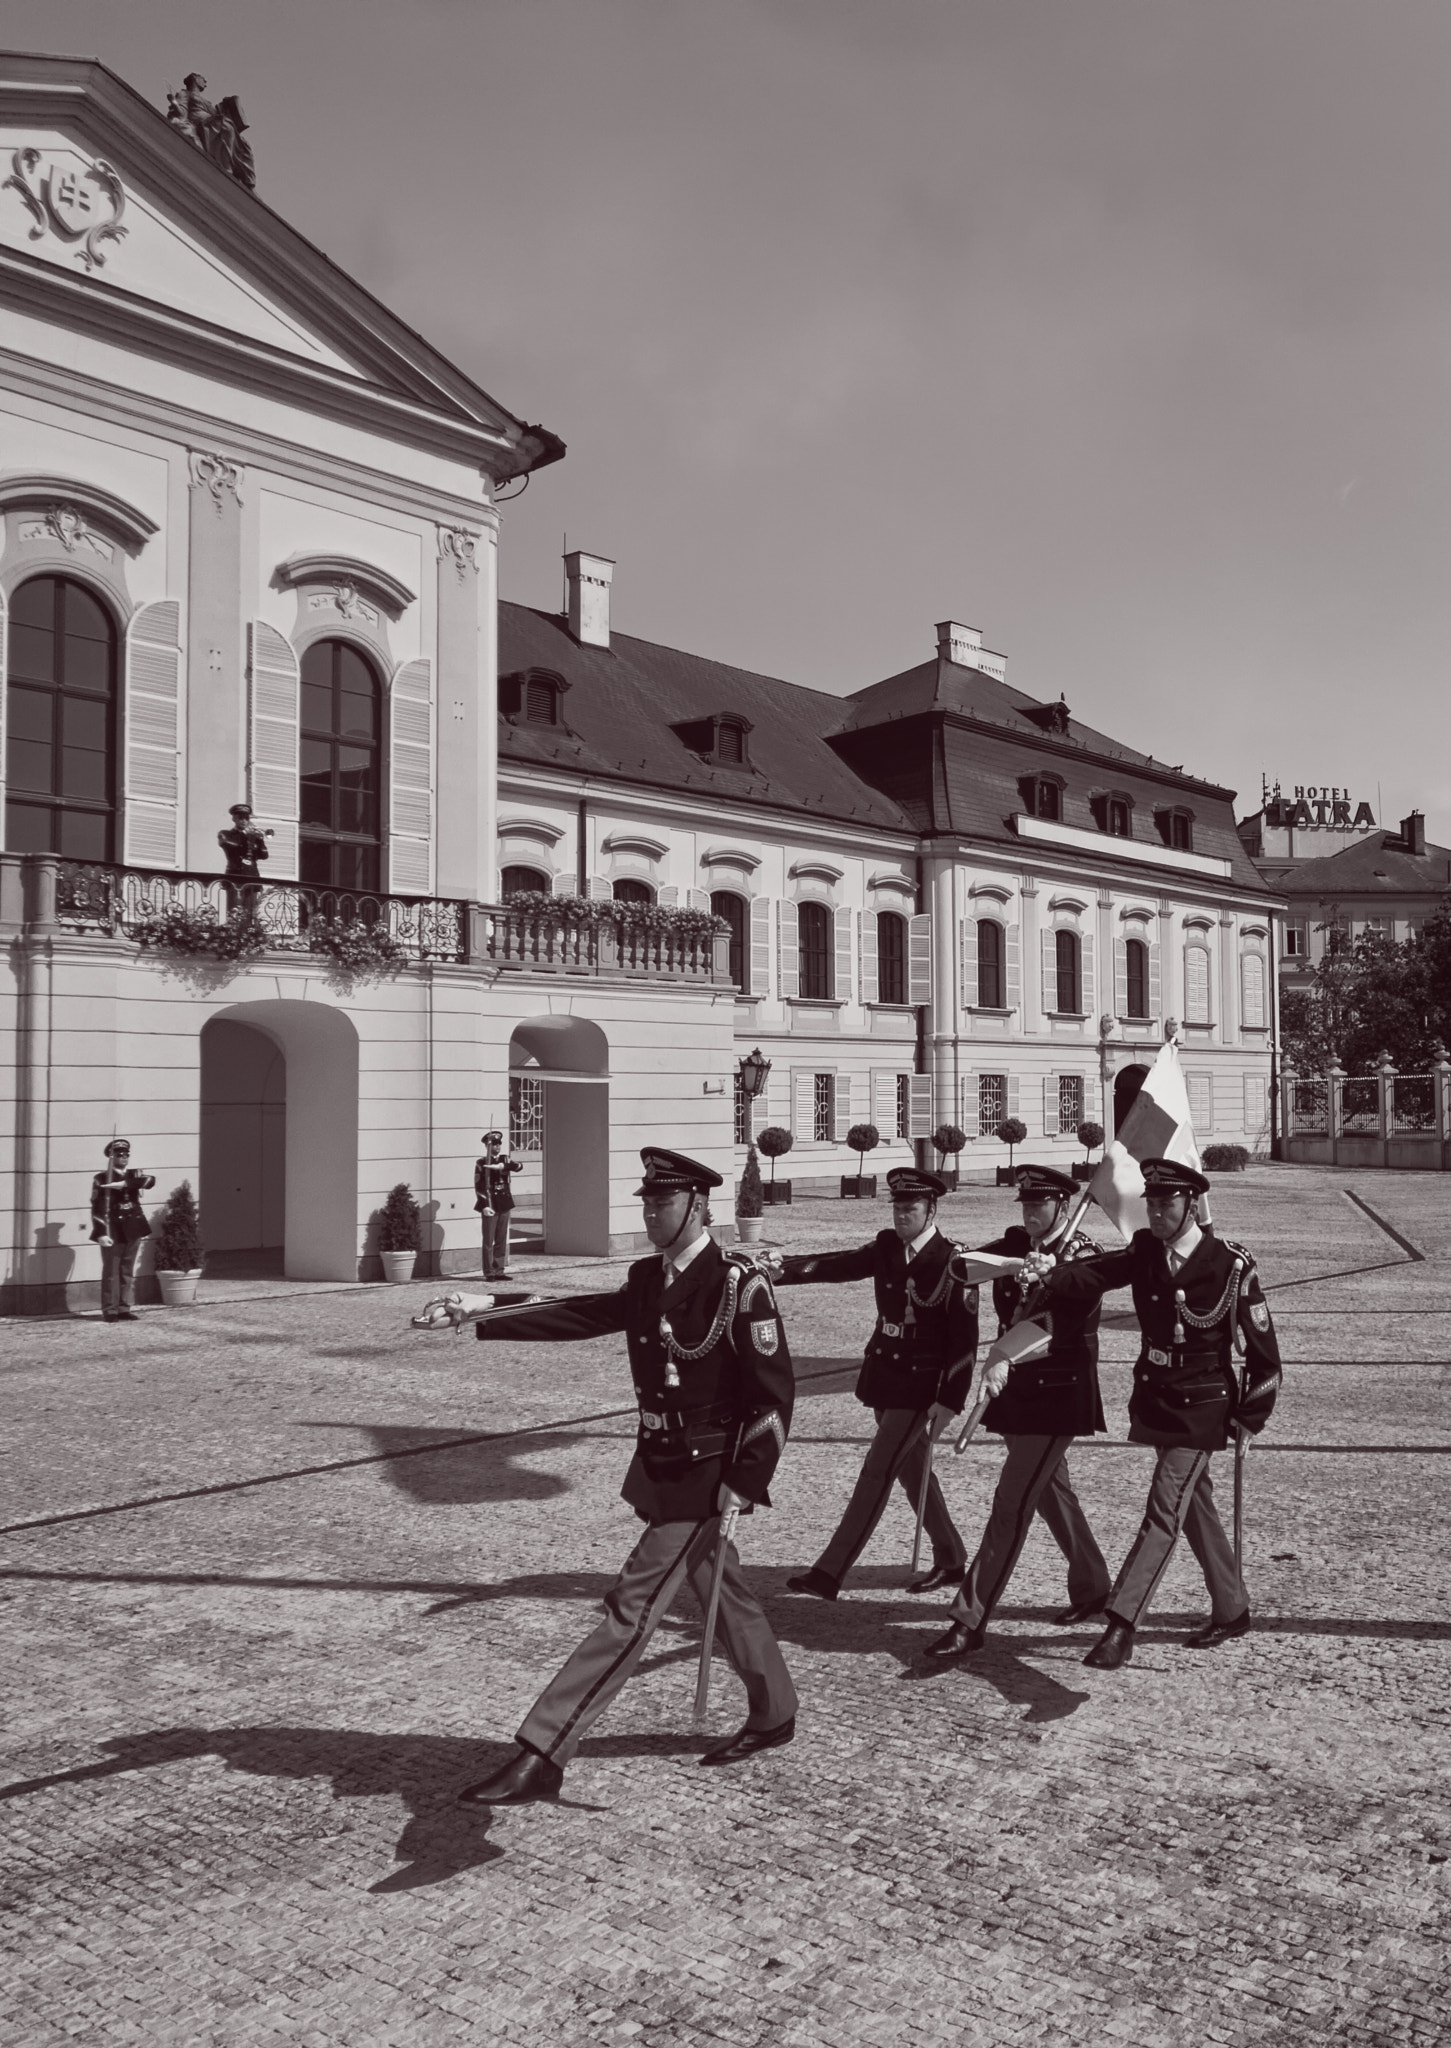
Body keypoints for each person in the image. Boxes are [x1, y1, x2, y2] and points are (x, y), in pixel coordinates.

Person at [435, 1148, 798, 1805]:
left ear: (697, 1204)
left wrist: (745, 1477)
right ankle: (774, 1711)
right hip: (662, 1464)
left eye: (662, 1202)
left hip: (706, 1476)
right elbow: (579, 1314)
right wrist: (480, 1308)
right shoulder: (646, 1277)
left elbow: (774, 1395)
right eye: (647, 1202)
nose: (651, 1212)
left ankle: (544, 1749)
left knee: (630, 1609)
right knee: (725, 1591)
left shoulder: (738, 1284)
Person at [1024, 1157, 1282, 1670]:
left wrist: (1251, 1416)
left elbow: (1264, 1355)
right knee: (1194, 1506)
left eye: (1167, 1203)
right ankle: (1232, 1607)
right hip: (1160, 1397)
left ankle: (1121, 1624)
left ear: (1192, 1205)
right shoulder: (1146, 1252)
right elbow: (1099, 1272)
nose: (1157, 1212)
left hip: (1205, 1407)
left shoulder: (1230, 1263)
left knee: (1164, 1507)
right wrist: (1054, 1273)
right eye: (1152, 1203)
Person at [924, 1165, 1112, 1659]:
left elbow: (1064, 1325)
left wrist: (1006, 1351)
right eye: (1026, 1205)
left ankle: (970, 1618)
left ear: (1063, 1206)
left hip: (1058, 1393)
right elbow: (958, 1267)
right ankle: (1093, 1586)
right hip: (1013, 1389)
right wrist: (1010, 1266)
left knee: (1011, 1502)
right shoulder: (1015, 1244)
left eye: (1040, 1205)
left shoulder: (1083, 1254)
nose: (1030, 1212)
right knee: (1053, 1493)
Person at [775, 1166, 979, 1600]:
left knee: (877, 1469)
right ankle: (951, 1556)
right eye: (897, 1207)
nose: (902, 1215)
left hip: (921, 1386)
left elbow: (965, 1341)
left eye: (911, 1208)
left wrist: (951, 1399)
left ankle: (830, 1572)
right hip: (885, 1374)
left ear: (931, 1209)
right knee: (912, 1471)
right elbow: (837, 1265)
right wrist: (780, 1271)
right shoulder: (888, 1247)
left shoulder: (954, 1261)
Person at [90, 1140, 155, 1323]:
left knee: (127, 1270)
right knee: (111, 1272)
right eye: (119, 1155)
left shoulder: (135, 1175)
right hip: (113, 1229)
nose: (123, 1158)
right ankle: (110, 1310)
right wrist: (101, 1232)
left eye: (126, 1155)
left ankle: (124, 1307)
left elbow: (150, 1181)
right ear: (111, 1157)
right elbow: (98, 1207)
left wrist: (125, 1184)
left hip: (133, 1228)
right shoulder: (102, 1178)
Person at [474, 1130, 522, 1280]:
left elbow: (519, 1167)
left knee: (501, 1239)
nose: (497, 1147)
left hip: (504, 1203)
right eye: (494, 1144)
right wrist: (484, 1206)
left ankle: (499, 1270)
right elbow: (479, 1186)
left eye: (499, 1144)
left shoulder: (504, 1159)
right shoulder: (481, 1163)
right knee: (488, 1240)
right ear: (487, 1146)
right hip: (491, 1204)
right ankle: (489, 1272)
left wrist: (503, 1166)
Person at [218, 803, 269, 914]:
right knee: (234, 912)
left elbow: (264, 855)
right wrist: (246, 836)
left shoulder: (252, 837)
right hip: (235, 875)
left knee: (250, 912)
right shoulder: (226, 834)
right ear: (234, 818)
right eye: (240, 817)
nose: (244, 821)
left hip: (252, 877)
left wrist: (260, 840)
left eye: (246, 818)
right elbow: (231, 845)